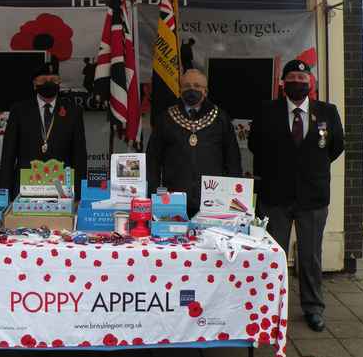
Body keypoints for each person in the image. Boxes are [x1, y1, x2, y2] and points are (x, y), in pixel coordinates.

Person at [248, 60, 344, 332]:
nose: (297, 81)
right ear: (283, 82)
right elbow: (256, 145)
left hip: (312, 198)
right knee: (272, 254)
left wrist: (310, 168)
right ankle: (270, 307)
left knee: (310, 256)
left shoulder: (327, 111)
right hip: (275, 197)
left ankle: (313, 308)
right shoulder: (266, 111)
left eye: (302, 76)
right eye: (291, 76)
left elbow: (336, 147)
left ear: (310, 81)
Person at [146, 68, 242, 217]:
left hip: (213, 201)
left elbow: (233, 160)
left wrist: (233, 197)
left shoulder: (220, 118)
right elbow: (153, 160)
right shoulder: (166, 118)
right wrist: (153, 193)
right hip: (173, 198)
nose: (192, 89)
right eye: (187, 86)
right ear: (180, 89)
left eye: (197, 86)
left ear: (205, 91)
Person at [0, 61, 87, 198]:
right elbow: (8, 154)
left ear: (59, 83)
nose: (49, 83)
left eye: (53, 80)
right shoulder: (19, 110)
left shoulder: (73, 111)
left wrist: (80, 195)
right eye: (43, 80)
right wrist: (4, 193)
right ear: (35, 84)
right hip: (26, 188)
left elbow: (79, 156)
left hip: (62, 189)